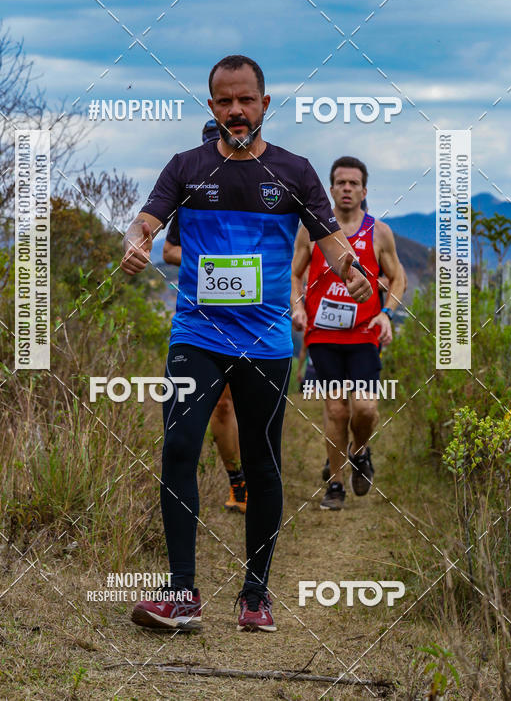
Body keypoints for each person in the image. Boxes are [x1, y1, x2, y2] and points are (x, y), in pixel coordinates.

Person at [120, 55, 372, 631]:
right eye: (224, 101)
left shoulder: (295, 171)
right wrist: (134, 244)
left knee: (263, 462)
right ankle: (181, 595)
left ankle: (255, 595)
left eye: (246, 100)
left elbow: (330, 242)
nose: (236, 111)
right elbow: (147, 223)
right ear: (212, 107)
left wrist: (353, 272)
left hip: (264, 342)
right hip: (197, 335)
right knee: (179, 448)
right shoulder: (185, 167)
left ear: (264, 103)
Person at [291, 156, 404, 511]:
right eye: (340, 182)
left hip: (364, 333)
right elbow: (295, 275)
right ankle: (335, 484)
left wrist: (387, 313)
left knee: (365, 409)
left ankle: (359, 451)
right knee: (337, 410)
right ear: (331, 188)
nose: (346, 188)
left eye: (354, 183)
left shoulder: (379, 232)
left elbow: (398, 277)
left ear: (364, 190)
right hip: (323, 335)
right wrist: (297, 306)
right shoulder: (311, 230)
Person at [163, 119, 247, 515]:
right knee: (221, 406)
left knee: (252, 403)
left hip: (253, 317)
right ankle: (237, 480)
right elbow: (169, 252)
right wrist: (210, 261)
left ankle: (263, 474)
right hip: (205, 318)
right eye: (211, 143)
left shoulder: (254, 186)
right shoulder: (190, 196)